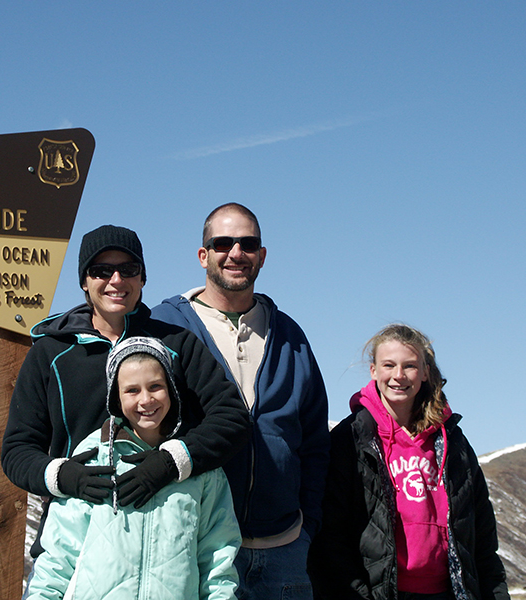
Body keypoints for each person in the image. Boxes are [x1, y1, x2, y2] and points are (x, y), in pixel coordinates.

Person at [2, 224, 250, 557]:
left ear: (143, 279)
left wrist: (168, 463)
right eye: (101, 271)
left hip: (165, 543)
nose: (116, 280)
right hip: (75, 545)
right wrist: (66, 476)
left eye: (129, 269)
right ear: (84, 282)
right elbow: (17, 451)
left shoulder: (176, 344)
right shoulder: (50, 353)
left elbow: (233, 419)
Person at [151, 203, 330, 600]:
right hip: (198, 547)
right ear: (204, 255)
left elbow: (315, 440)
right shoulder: (166, 326)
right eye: (223, 243)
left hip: (284, 548)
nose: (236, 253)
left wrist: (307, 527)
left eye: (248, 243)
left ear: (262, 256)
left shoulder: (290, 335)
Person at [25, 336, 242, 599]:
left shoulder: (199, 467)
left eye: (155, 386)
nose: (146, 400)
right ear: (115, 397)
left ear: (171, 389)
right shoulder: (93, 458)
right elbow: (59, 556)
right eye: (132, 390)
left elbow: (217, 561)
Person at [307, 324, 510, 600]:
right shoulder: (351, 439)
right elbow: (330, 537)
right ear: (373, 371)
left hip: (448, 593)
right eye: (388, 365)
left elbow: (482, 537)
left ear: (425, 372)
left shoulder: (452, 441)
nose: (398, 376)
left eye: (410, 366)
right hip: (378, 593)